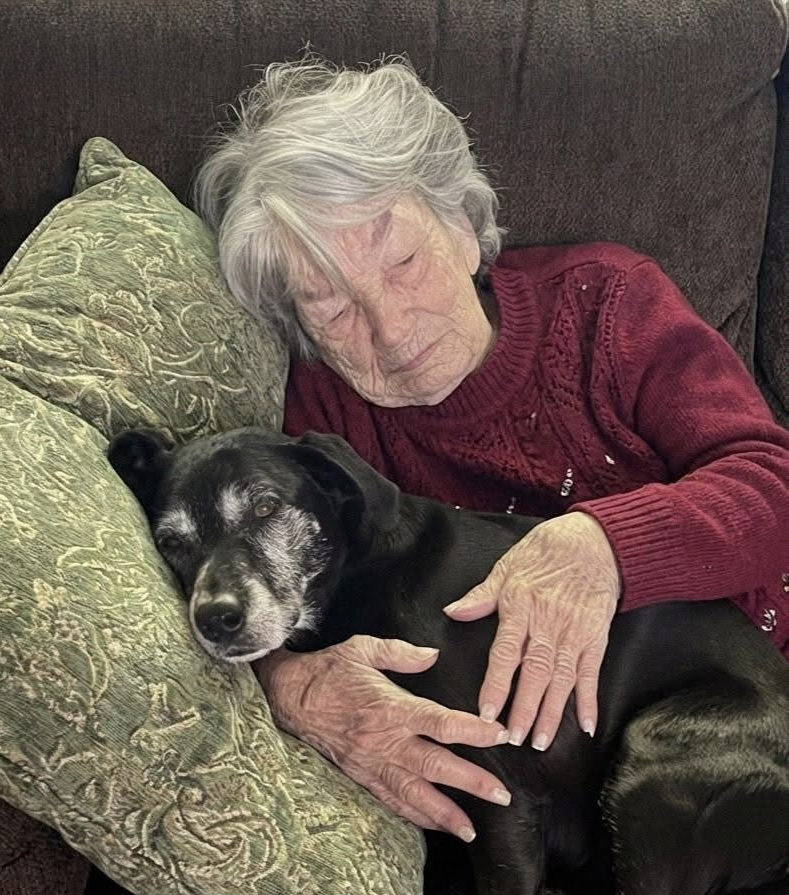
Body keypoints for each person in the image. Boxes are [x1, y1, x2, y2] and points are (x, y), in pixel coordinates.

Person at [194, 56, 789, 844]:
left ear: (462, 225)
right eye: (330, 308)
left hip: (755, 711)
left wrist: (604, 546)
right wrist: (288, 686)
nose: (389, 328)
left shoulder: (606, 303)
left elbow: (771, 483)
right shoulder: (325, 426)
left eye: (402, 263)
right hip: (603, 802)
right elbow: (275, 590)